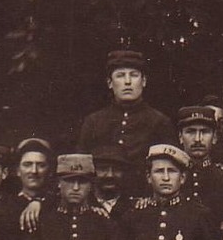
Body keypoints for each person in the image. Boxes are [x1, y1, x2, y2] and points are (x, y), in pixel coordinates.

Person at [75, 48, 175, 192]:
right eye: (120, 76)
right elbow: (80, 167)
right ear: (110, 82)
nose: (127, 82)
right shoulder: (93, 122)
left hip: (142, 198)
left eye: (134, 75)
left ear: (144, 81)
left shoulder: (159, 122)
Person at [174, 105, 223, 219]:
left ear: (215, 137)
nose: (197, 139)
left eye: (204, 132)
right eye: (190, 132)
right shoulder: (171, 178)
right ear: (180, 137)